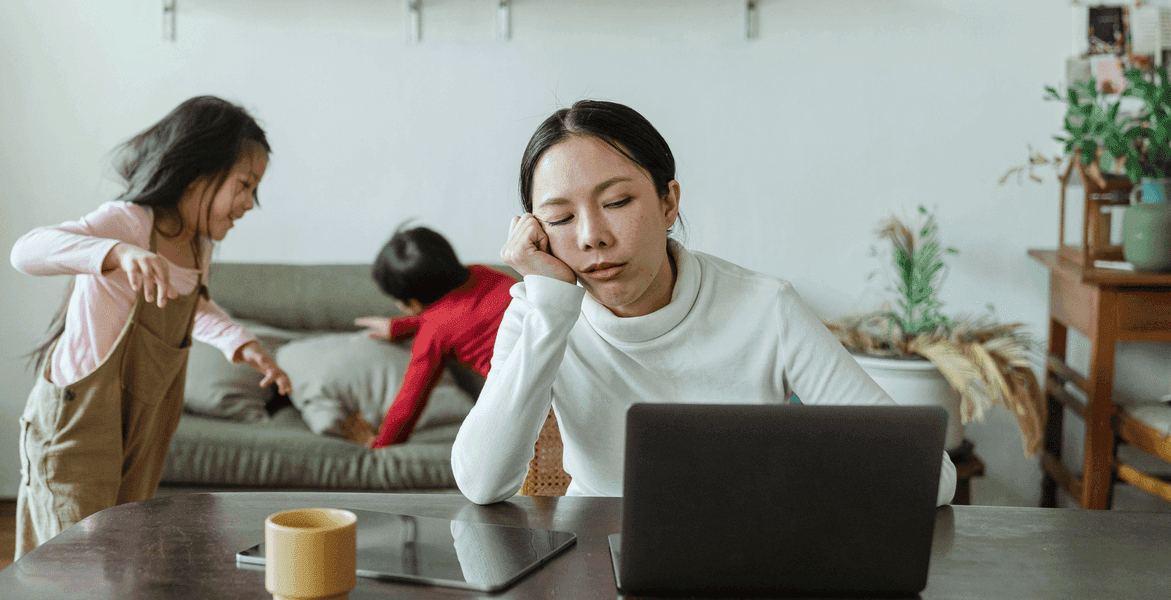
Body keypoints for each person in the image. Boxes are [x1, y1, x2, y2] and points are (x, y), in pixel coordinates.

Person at [451, 100, 957, 505]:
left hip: (744, 553)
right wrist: (550, 307)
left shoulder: (766, 308)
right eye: (560, 219)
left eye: (617, 202)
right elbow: (481, 483)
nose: (591, 237)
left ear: (668, 202)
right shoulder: (541, 312)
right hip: (595, 555)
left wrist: (786, 483)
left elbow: (930, 477)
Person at [10, 95, 293, 558]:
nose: (249, 203)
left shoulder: (198, 245)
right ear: (197, 173)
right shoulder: (127, 222)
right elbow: (25, 251)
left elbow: (192, 306)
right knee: (71, 558)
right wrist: (116, 252)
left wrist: (243, 345)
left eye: (254, 190)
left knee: (119, 551)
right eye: (244, 185)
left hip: (144, 425)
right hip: (78, 422)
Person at [349, 226, 517, 449]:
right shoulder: (483, 273)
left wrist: (380, 444)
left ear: (412, 303)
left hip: (523, 395)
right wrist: (400, 327)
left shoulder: (433, 332)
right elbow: (466, 313)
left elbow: (409, 402)